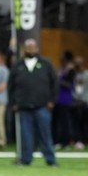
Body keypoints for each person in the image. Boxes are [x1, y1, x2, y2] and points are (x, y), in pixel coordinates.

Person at [8, 38, 58, 167]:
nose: (30, 49)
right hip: (24, 106)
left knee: (45, 134)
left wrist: (52, 100)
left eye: (33, 47)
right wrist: (13, 102)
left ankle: (50, 159)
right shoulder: (18, 65)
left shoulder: (46, 64)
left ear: (37, 48)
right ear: (24, 49)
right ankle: (26, 159)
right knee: (25, 135)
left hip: (42, 106)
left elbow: (55, 83)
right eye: (28, 47)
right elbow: (11, 85)